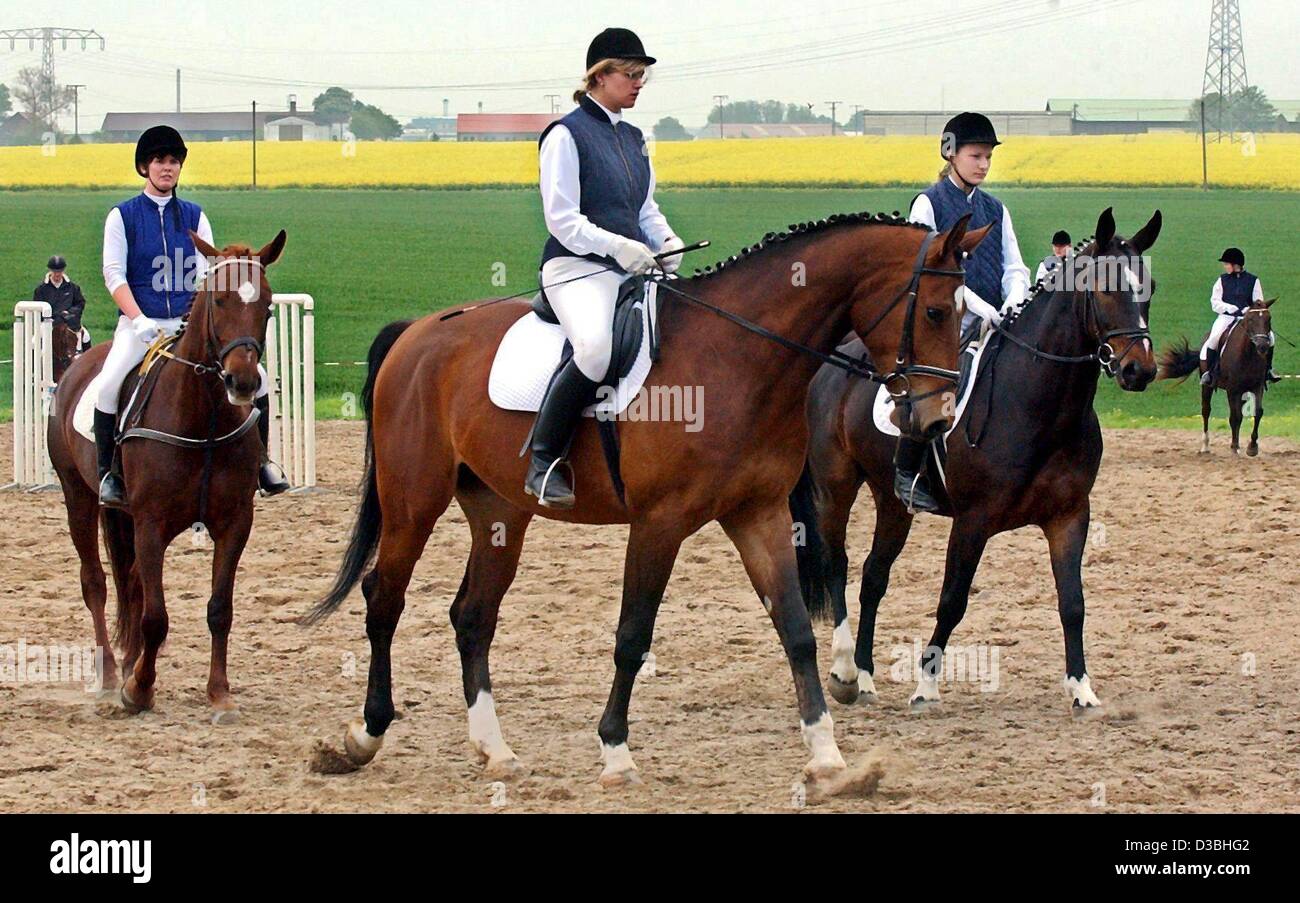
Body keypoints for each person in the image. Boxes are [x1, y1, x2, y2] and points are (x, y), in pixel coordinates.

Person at [526, 27, 685, 508]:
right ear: (600, 76)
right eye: (631, 75)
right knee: (595, 351)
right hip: (576, 269)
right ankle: (543, 458)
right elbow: (563, 219)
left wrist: (667, 241)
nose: (638, 84)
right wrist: (620, 248)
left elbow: (645, 211)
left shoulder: (636, 138)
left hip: (632, 268)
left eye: (643, 77)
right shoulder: (565, 135)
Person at [95, 125, 290, 508]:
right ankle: (110, 475)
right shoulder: (123, 216)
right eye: (159, 161)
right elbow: (113, 274)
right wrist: (138, 320)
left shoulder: (195, 216)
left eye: (173, 162)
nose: (167, 168)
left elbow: (209, 274)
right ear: (144, 167)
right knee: (107, 387)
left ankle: (263, 463)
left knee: (261, 381)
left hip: (188, 327)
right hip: (140, 326)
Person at [900, 112, 1031, 513]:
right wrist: (980, 307)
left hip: (995, 318)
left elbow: (1015, 267)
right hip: (941, 321)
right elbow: (925, 271)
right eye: (976, 156)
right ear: (950, 153)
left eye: (988, 157)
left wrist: (1013, 300)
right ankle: (909, 470)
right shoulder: (928, 203)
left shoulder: (996, 208)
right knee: (932, 384)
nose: (984, 165)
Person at [1200, 247, 1278, 386]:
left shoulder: (1253, 280)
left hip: (1247, 319)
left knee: (1270, 338)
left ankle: (1268, 370)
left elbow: (1258, 302)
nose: (1224, 266)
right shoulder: (1221, 280)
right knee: (1213, 339)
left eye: (1226, 264)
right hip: (1226, 318)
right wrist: (1228, 308)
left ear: (1235, 265)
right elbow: (1214, 302)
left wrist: (1249, 310)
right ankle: (1210, 373)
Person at [32, 255, 90, 351]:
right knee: (34, 342)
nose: (57, 274)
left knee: (86, 336)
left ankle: (87, 363)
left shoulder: (73, 288)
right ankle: (33, 365)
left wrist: (70, 314)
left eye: (59, 271)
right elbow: (37, 308)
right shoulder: (41, 289)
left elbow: (80, 303)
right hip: (49, 323)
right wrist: (57, 316)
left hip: (69, 322)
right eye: (55, 272)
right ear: (50, 270)